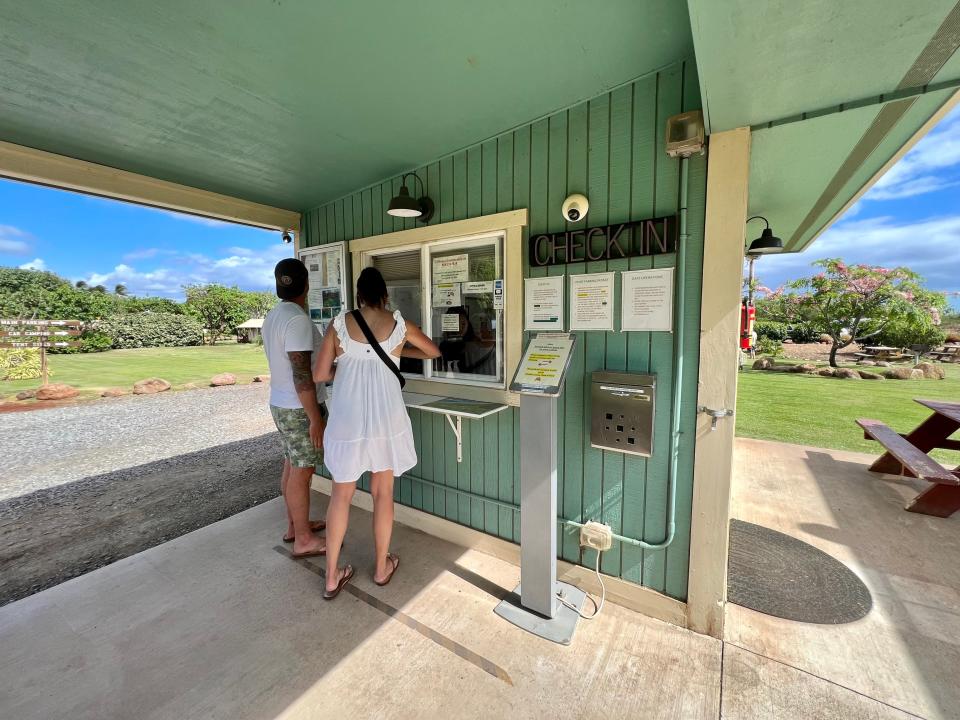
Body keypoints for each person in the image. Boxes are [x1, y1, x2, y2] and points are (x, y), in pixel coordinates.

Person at [313, 267, 441, 599]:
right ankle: (382, 567)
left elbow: (320, 374)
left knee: (340, 495)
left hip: (347, 421)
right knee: (383, 493)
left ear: (358, 295)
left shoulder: (339, 325)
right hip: (386, 421)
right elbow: (432, 351)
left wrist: (349, 363)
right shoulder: (399, 325)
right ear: (385, 295)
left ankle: (331, 576)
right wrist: (398, 352)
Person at [262, 258, 327, 559]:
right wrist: (315, 418)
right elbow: (302, 374)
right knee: (303, 470)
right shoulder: (297, 319)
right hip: (299, 409)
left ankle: (294, 527)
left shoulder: (274, 315)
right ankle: (303, 539)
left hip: (280, 403)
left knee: (291, 464)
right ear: (307, 285)